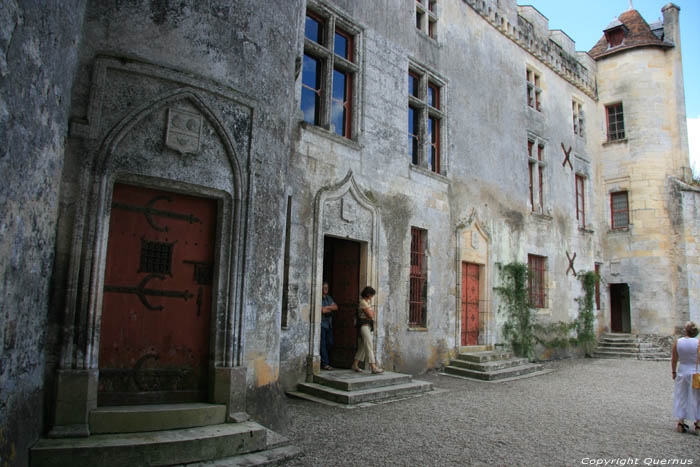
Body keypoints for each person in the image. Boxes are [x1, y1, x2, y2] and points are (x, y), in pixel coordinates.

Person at [671, 321, 700, 434]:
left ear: (686, 330)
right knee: (697, 398)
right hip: (696, 372)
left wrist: (673, 371)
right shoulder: (698, 343)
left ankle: (681, 422)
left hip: (682, 371)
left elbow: (674, 359)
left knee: (682, 396)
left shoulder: (678, 342)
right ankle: (698, 425)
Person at [351, 286, 384, 374]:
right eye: (372, 295)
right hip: (364, 326)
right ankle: (373, 366)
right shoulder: (363, 303)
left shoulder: (366, 303)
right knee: (369, 345)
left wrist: (371, 312)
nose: (372, 297)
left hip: (367, 326)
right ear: (368, 294)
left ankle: (355, 364)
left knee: (362, 347)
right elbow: (371, 315)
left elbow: (371, 314)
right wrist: (371, 312)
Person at [320, 281, 338, 371]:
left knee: (329, 343)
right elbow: (322, 311)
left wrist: (327, 308)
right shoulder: (319, 298)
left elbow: (336, 307)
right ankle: (325, 363)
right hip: (322, 324)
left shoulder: (328, 298)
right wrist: (329, 308)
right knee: (322, 344)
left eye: (327, 288)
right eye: (324, 288)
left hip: (329, 325)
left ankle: (324, 360)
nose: (325, 289)